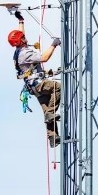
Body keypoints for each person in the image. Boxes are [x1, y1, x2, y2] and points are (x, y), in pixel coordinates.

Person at [8, 11, 62, 148]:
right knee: (58, 88)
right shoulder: (25, 54)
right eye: (23, 38)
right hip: (38, 84)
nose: (25, 38)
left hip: (33, 87)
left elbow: (20, 35)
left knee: (47, 111)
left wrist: (21, 21)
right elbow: (44, 57)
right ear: (21, 41)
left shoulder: (19, 50)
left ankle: (53, 137)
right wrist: (54, 45)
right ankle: (50, 115)